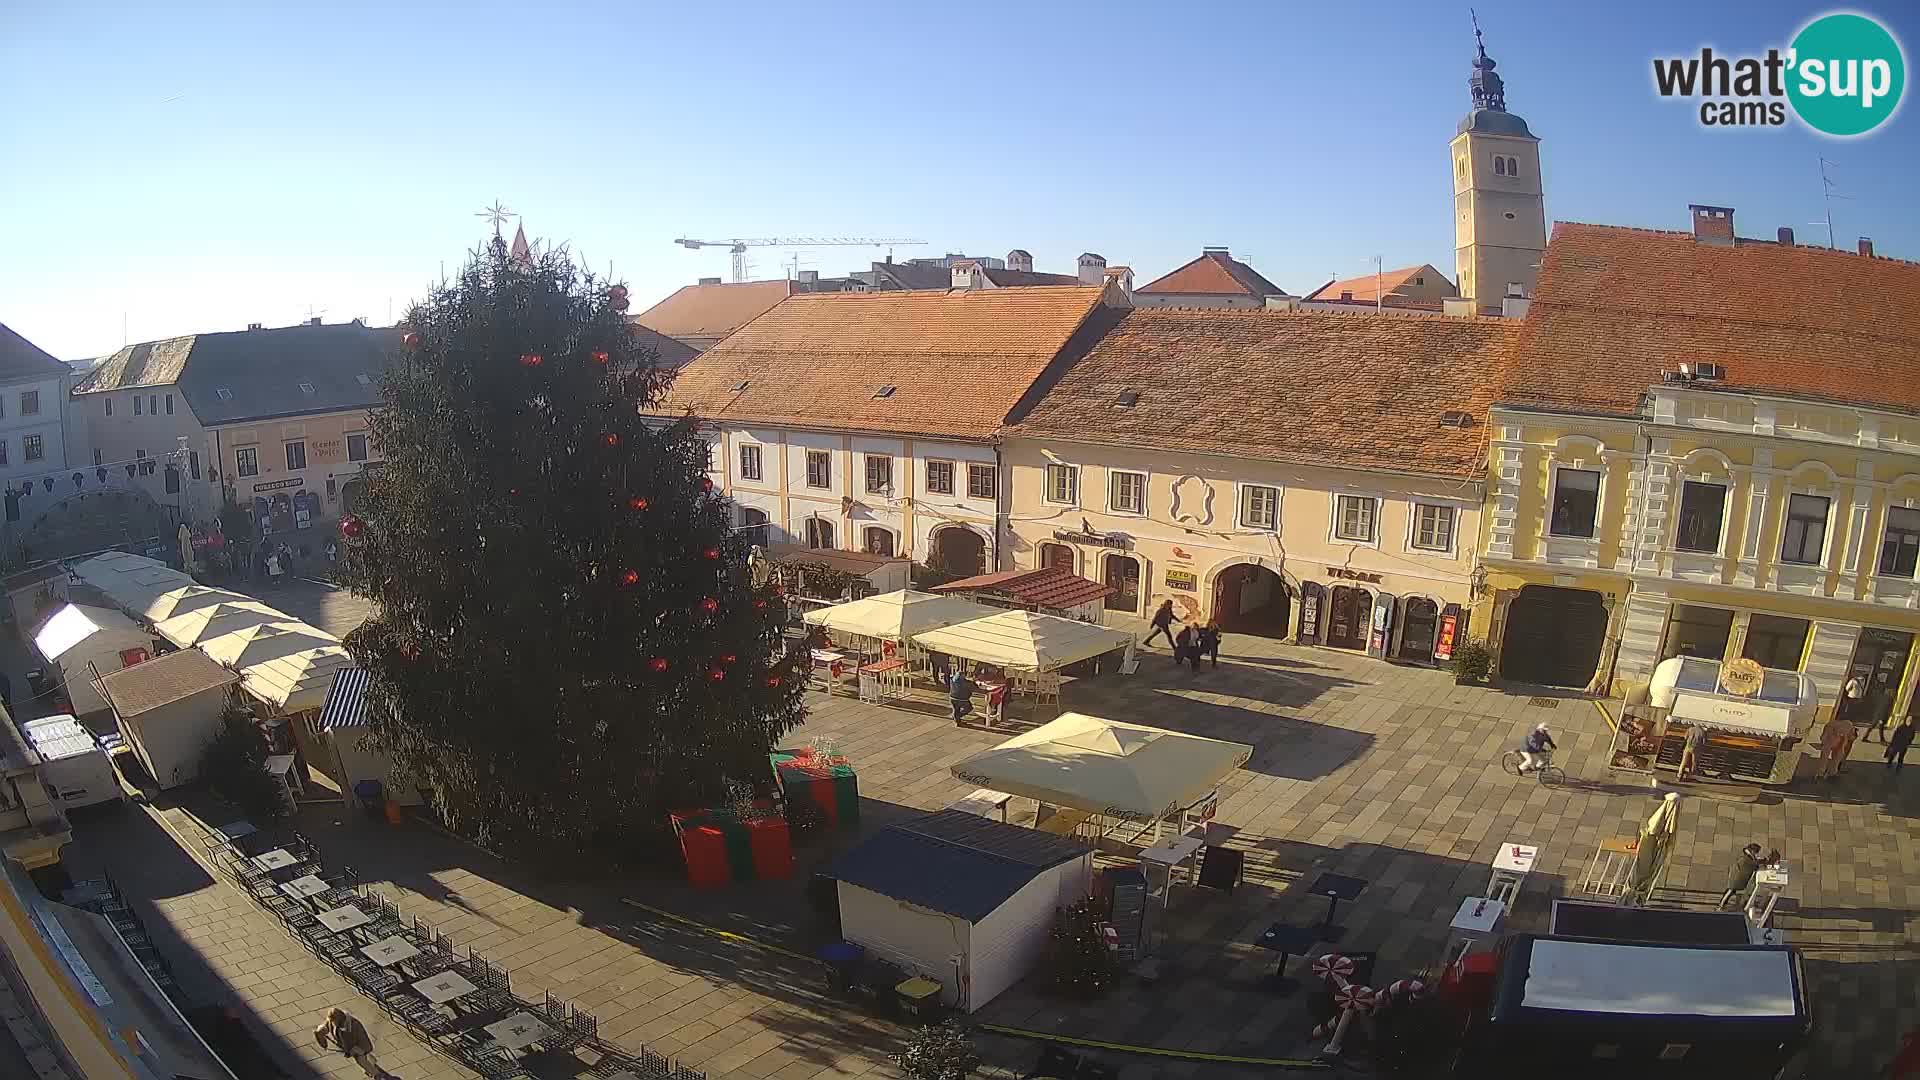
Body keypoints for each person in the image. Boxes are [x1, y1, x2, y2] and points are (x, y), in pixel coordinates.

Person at [315, 1007, 392, 1079]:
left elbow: (362, 1041)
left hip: (360, 1046)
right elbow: (326, 1025)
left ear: (339, 1019)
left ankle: (377, 1075)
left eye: (333, 1021)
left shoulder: (354, 1026)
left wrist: (351, 1052)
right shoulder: (333, 1020)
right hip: (351, 1047)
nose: (332, 1023)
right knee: (366, 1057)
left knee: (361, 1060)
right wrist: (321, 1029)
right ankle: (372, 1064)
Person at [1717, 842, 1780, 910]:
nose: (1757, 854)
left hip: (1737, 877)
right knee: (1730, 891)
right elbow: (1755, 865)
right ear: (1752, 851)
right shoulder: (1747, 859)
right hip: (1736, 879)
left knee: (1731, 891)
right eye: (1757, 852)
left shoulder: (1748, 855)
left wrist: (1765, 860)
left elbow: (1756, 861)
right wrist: (1766, 861)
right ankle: (1721, 905)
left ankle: (1724, 903)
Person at [1815, 712, 1856, 781]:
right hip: (1841, 744)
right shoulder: (1849, 725)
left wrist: (1823, 740)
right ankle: (1832, 772)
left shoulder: (1830, 723)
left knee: (1824, 757)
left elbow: (1824, 735)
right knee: (1836, 759)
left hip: (1829, 742)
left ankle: (1820, 773)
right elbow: (1851, 737)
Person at [1863, 671, 1896, 743]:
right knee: (1880, 727)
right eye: (1893, 692)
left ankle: (1865, 737)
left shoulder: (1883, 696)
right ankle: (1881, 740)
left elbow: (1879, 705)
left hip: (1878, 713)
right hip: (1881, 714)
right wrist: (1882, 717)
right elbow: (1885, 708)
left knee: (1873, 726)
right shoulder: (1889, 699)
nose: (1894, 693)